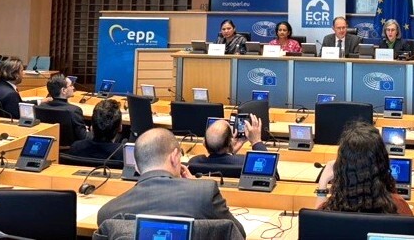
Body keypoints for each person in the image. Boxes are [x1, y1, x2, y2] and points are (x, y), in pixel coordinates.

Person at [97, 128, 245, 237]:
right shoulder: (204, 193)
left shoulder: (108, 213)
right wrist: (194, 184)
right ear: (174, 157)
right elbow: (237, 233)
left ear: (136, 166)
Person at [315, 121, 412, 214]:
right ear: (382, 162)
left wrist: (323, 183)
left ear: (341, 167)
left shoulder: (332, 207)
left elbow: (317, 219)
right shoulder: (398, 206)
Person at [187, 114, 266, 170]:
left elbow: (221, 162)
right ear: (230, 142)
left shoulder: (194, 163)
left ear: (204, 143)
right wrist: (256, 141)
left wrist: (230, 152)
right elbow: (267, 168)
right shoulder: (245, 163)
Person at [40, 74, 87, 141]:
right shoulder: (74, 110)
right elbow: (83, 136)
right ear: (63, 90)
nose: (73, 88)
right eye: (71, 85)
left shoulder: (40, 107)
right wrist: (86, 130)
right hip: (70, 146)